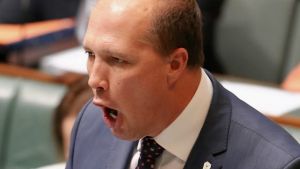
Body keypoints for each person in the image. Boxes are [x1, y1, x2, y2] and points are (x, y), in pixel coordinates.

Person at [66, 0, 300, 169]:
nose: (94, 80)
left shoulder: (275, 163)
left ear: (175, 65)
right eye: (90, 54)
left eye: (117, 60)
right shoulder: (91, 124)